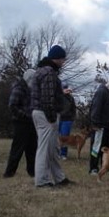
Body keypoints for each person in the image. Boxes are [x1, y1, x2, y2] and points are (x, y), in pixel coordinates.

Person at [30, 45, 73, 188]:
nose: (64, 62)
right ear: (58, 58)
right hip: (45, 114)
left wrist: (61, 94)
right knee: (44, 148)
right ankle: (41, 181)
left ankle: (59, 178)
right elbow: (47, 98)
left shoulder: (42, 71)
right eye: (63, 59)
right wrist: (52, 117)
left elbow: (50, 94)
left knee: (52, 148)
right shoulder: (49, 73)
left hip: (42, 112)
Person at [3, 69, 37, 178]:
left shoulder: (30, 89)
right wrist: (25, 115)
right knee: (17, 149)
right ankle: (9, 172)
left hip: (30, 122)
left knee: (32, 148)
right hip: (20, 123)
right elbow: (12, 106)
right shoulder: (18, 88)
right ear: (28, 79)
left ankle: (32, 171)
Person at [88, 75, 109, 176]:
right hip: (99, 126)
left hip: (108, 127)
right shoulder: (101, 92)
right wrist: (95, 123)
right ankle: (93, 168)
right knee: (96, 148)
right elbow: (95, 108)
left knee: (108, 149)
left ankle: (106, 167)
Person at [58, 82, 76, 160]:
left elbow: (73, 109)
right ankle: (56, 153)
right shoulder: (58, 96)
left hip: (67, 120)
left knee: (65, 136)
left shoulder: (71, 98)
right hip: (57, 119)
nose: (66, 90)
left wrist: (72, 118)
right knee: (56, 137)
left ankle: (63, 154)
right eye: (64, 88)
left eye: (66, 88)